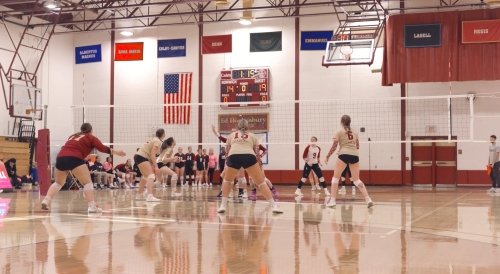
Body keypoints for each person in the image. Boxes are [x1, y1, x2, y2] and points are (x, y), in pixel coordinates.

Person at [41, 123, 126, 213]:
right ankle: (92, 206)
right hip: (74, 158)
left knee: (58, 183)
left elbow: (72, 148)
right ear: (91, 130)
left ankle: (46, 200)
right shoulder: (90, 137)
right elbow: (102, 148)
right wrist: (117, 152)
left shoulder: (73, 136)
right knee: (87, 183)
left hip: (61, 157)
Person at [217, 119, 282, 214]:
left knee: (227, 180)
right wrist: (258, 163)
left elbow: (227, 150)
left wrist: (228, 161)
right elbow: (256, 152)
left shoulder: (232, 135)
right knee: (261, 183)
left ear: (237, 126)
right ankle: (274, 206)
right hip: (249, 156)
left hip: (234, 155)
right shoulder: (252, 135)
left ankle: (222, 206)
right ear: (248, 127)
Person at [325, 115, 373, 208]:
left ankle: (333, 201)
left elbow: (334, 146)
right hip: (355, 155)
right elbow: (358, 146)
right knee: (356, 180)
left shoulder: (339, 131)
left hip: (344, 154)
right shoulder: (355, 132)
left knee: (335, 178)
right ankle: (368, 199)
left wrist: (327, 156)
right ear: (349, 122)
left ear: (341, 122)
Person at [134, 128, 165, 202]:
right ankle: (149, 196)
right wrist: (156, 166)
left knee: (145, 176)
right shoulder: (158, 141)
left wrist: (152, 164)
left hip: (139, 156)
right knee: (151, 175)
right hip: (142, 157)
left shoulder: (153, 139)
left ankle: (139, 195)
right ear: (163, 134)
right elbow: (152, 154)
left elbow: (151, 154)